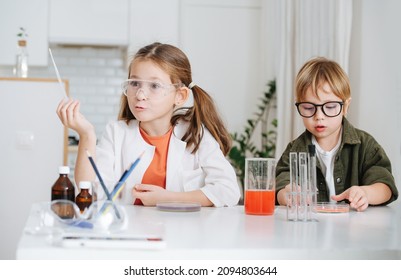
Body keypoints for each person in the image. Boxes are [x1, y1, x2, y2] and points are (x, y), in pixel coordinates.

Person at [56, 42, 240, 207]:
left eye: (154, 86)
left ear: (180, 96)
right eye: (135, 83)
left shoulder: (195, 134)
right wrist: (87, 134)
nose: (140, 94)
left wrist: (168, 198)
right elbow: (91, 192)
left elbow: (228, 191)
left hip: (182, 235)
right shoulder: (117, 133)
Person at [275, 57, 398, 212]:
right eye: (308, 108)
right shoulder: (295, 149)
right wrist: (287, 194)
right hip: (312, 231)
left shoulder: (365, 145)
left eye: (330, 107)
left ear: (345, 106)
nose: (319, 116)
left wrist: (366, 193)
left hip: (354, 231)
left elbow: (385, 186)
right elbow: (280, 183)